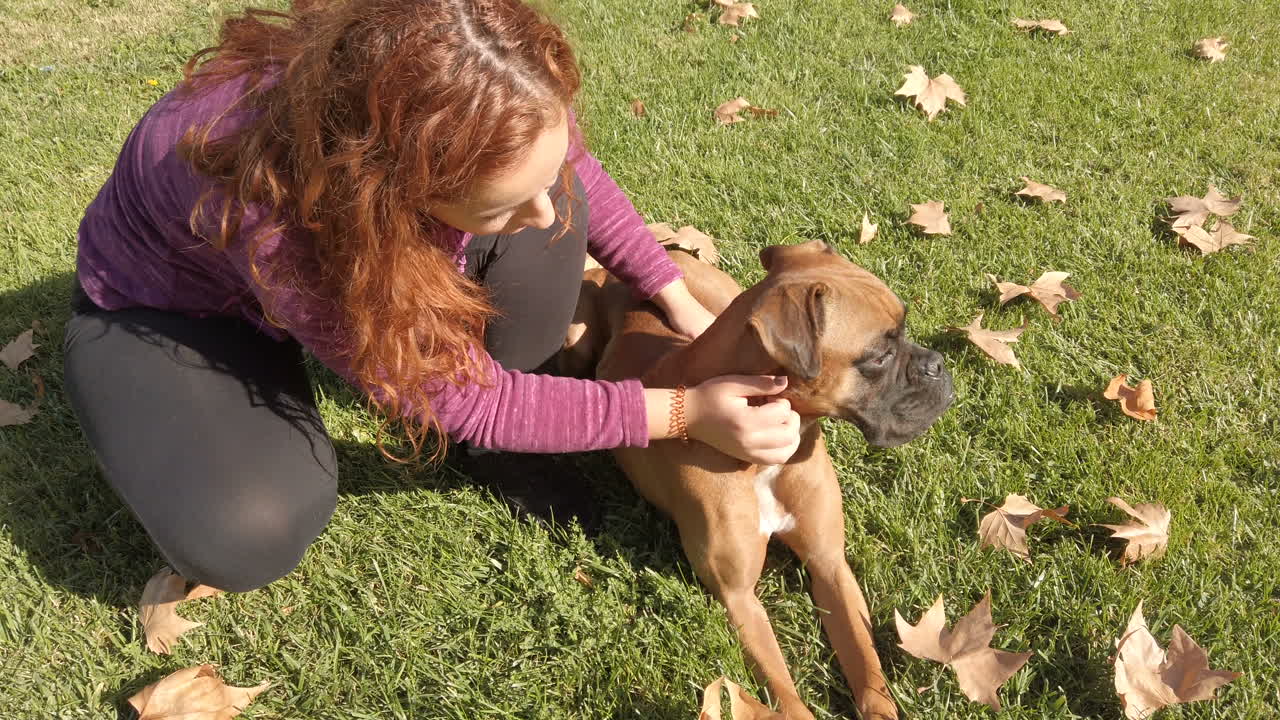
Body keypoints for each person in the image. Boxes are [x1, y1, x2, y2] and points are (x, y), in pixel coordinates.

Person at [62, 0, 802, 594]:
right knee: (246, 530)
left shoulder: (477, 72)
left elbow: (569, 170)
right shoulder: (278, 213)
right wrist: (682, 413)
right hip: (169, 316)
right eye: (507, 202)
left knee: (545, 207)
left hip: (349, 241)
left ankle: (494, 452)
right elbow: (466, 396)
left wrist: (671, 293)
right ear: (395, 189)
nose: (548, 213)